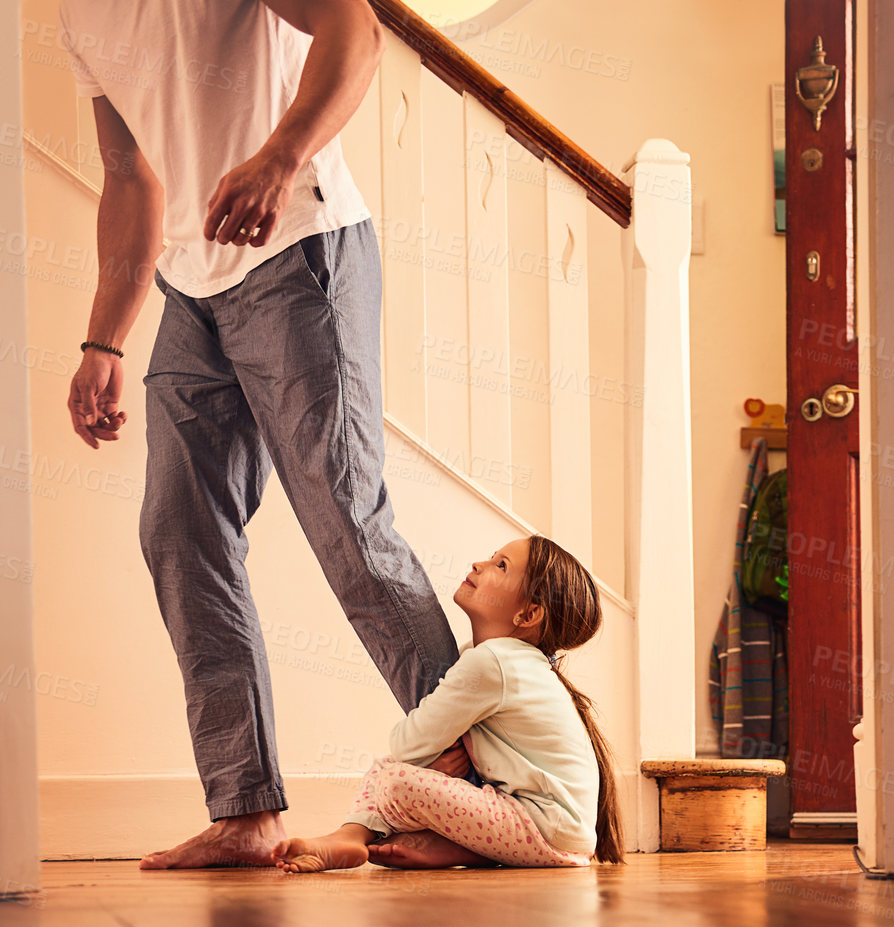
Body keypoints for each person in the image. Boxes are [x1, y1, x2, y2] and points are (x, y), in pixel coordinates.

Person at [60, 0, 459, 869]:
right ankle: (245, 808)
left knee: (345, 520)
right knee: (178, 529)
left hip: (302, 248)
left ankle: (480, 798)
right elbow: (129, 178)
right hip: (191, 287)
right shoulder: (76, 13)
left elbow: (356, 27)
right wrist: (103, 340)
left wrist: (281, 158)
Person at [275, 536, 624, 872]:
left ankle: (366, 837)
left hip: (542, 828)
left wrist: (433, 768)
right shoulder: (507, 661)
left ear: (528, 614)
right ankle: (360, 837)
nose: (479, 564)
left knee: (394, 777)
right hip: (552, 828)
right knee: (392, 779)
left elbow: (407, 745)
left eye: (500, 566)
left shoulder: (492, 662)